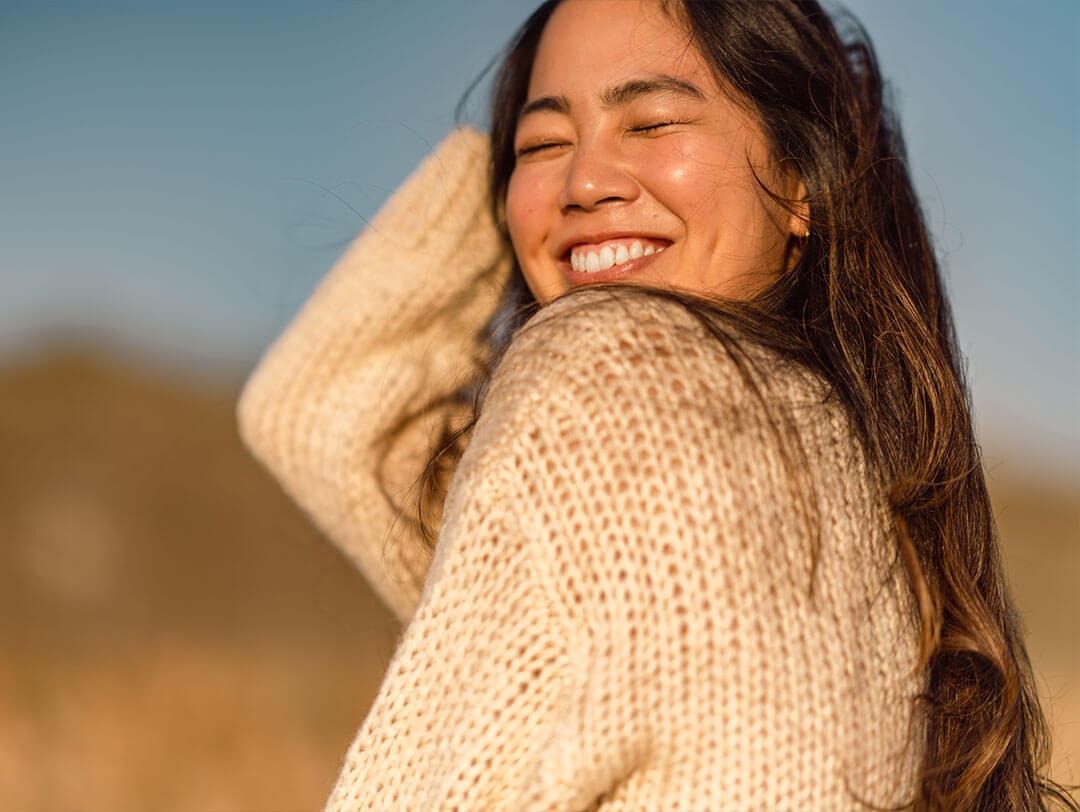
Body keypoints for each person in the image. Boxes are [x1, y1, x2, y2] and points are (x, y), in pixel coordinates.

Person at [236, 0, 1076, 809]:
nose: (584, 179)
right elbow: (320, 416)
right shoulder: (842, 466)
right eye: (544, 142)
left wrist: (507, 178)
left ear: (801, 183)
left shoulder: (609, 374)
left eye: (651, 124)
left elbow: (323, 403)